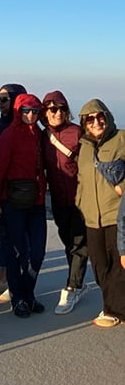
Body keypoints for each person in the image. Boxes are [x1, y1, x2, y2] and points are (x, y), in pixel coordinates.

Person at [0, 93, 47, 318]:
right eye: (26, 111)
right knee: (15, 252)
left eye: (34, 111)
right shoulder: (8, 136)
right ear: (18, 112)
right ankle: (19, 298)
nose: (30, 115)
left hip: (37, 200)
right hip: (12, 202)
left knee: (37, 252)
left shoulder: (40, 135)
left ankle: (27, 293)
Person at [75, 99, 125, 328]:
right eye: (90, 118)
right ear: (84, 122)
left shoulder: (121, 139)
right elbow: (81, 178)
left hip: (116, 213)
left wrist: (121, 188)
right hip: (92, 217)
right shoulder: (84, 146)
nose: (96, 122)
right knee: (99, 264)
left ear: (108, 116)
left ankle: (114, 310)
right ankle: (112, 304)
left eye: (100, 116)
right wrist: (80, 202)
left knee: (118, 264)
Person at [41, 91, 88, 314]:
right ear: (45, 113)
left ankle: (73, 286)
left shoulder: (77, 133)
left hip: (80, 198)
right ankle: (77, 280)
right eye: (52, 109)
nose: (58, 113)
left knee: (79, 243)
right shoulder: (43, 137)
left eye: (61, 108)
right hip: (59, 198)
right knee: (68, 241)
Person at [0, 82, 27, 297]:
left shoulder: (24, 126)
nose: (0, 104)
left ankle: (13, 279)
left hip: (21, 194)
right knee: (3, 235)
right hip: (3, 192)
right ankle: (4, 276)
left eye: (4, 99)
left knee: (19, 237)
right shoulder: (0, 124)